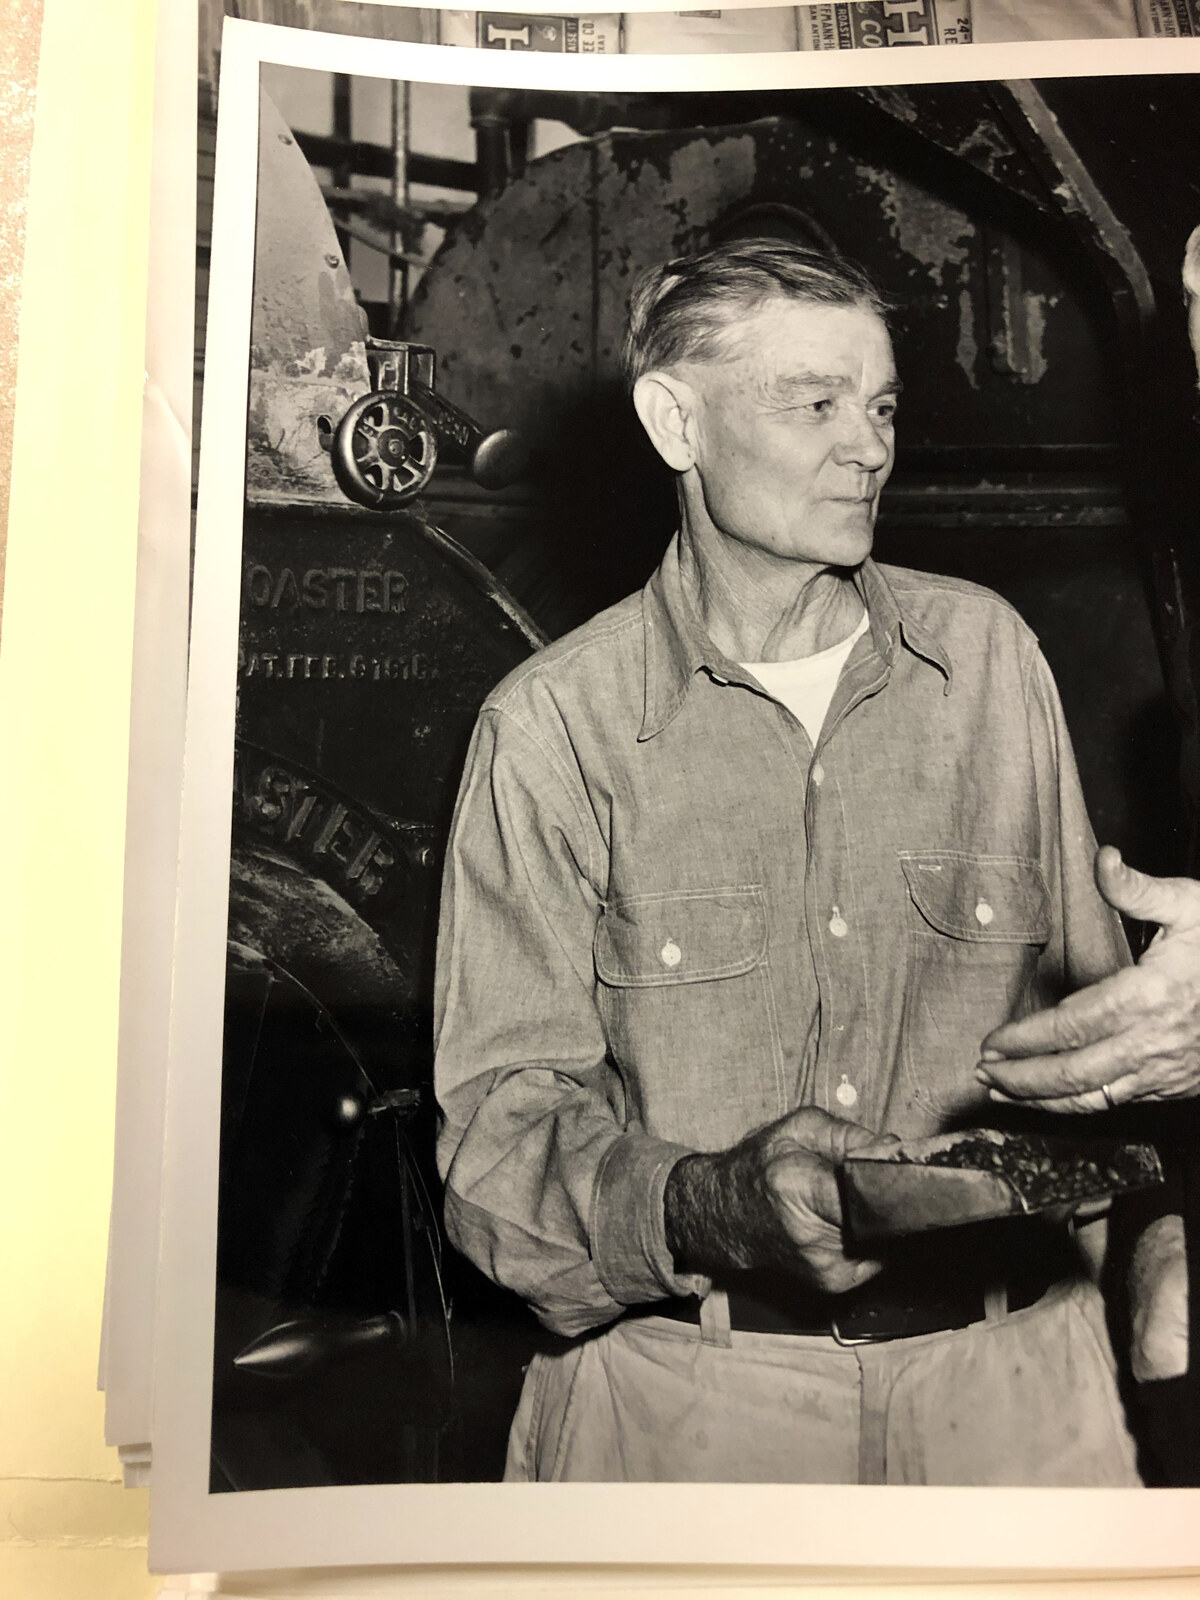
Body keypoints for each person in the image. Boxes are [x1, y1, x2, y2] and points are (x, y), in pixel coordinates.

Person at [434, 240, 1145, 1486]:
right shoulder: (554, 727)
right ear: (677, 422)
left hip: (1015, 1397)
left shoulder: (990, 662)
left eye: (882, 407)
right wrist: (713, 1202)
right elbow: (496, 1147)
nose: (868, 447)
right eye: (815, 404)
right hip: (687, 1413)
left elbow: (1113, 1043)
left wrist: (1166, 1232)